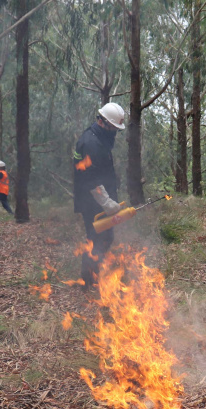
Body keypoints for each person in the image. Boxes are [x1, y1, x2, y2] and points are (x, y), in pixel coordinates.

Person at [73, 102, 125, 287]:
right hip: (91, 201)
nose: (115, 132)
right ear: (103, 122)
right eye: (113, 127)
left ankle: (93, 274)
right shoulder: (91, 143)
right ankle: (89, 280)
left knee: (104, 237)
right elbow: (89, 177)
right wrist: (107, 202)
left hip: (99, 199)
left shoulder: (100, 139)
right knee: (97, 238)